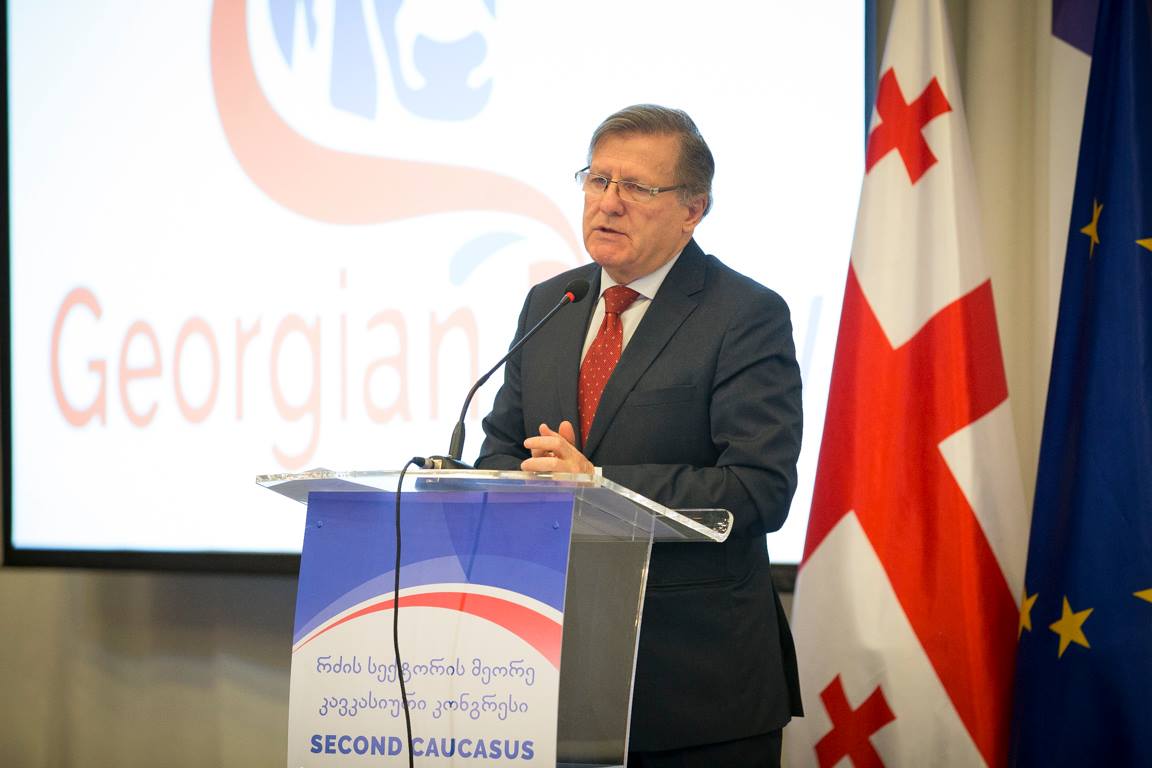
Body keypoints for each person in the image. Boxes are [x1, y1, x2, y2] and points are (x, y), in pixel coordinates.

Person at [476, 104, 803, 767]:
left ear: (692, 210)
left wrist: (597, 486)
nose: (609, 202)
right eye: (598, 180)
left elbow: (758, 489)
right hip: (549, 672)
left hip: (695, 685)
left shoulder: (745, 315)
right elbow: (501, 452)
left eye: (637, 187)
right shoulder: (552, 303)